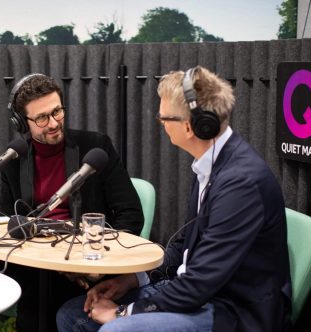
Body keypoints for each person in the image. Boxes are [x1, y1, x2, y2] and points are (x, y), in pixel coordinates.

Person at [56, 65, 292, 332]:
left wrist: (124, 313)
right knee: (72, 315)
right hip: (198, 292)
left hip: (232, 309)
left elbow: (201, 282)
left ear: (191, 126)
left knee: (116, 330)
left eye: (163, 118)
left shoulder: (241, 184)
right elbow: (184, 246)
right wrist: (133, 280)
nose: (161, 124)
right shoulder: (210, 164)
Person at [0, 73, 143, 332]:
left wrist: (88, 258)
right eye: (42, 118)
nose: (54, 123)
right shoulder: (13, 158)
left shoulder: (95, 147)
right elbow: (6, 225)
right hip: (31, 260)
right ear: (22, 123)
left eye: (57, 111)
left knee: (41, 303)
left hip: (82, 261)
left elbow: (131, 215)